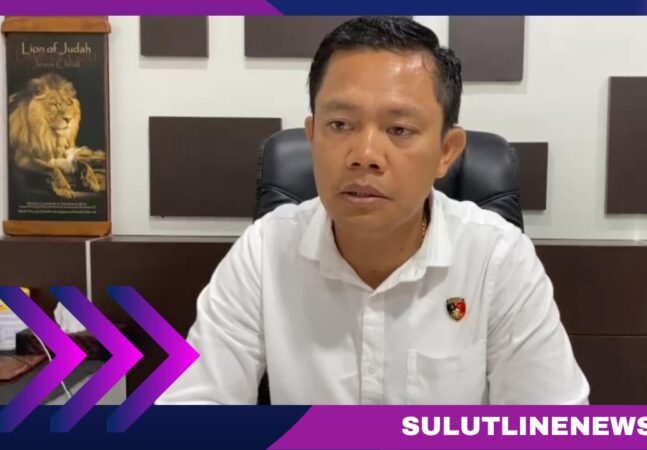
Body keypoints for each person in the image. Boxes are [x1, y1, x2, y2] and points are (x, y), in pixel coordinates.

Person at [157, 16, 589, 405]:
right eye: (340, 125)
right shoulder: (265, 250)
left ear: (446, 151)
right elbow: (191, 407)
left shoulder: (497, 258)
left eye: (399, 129)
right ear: (312, 136)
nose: (364, 155)